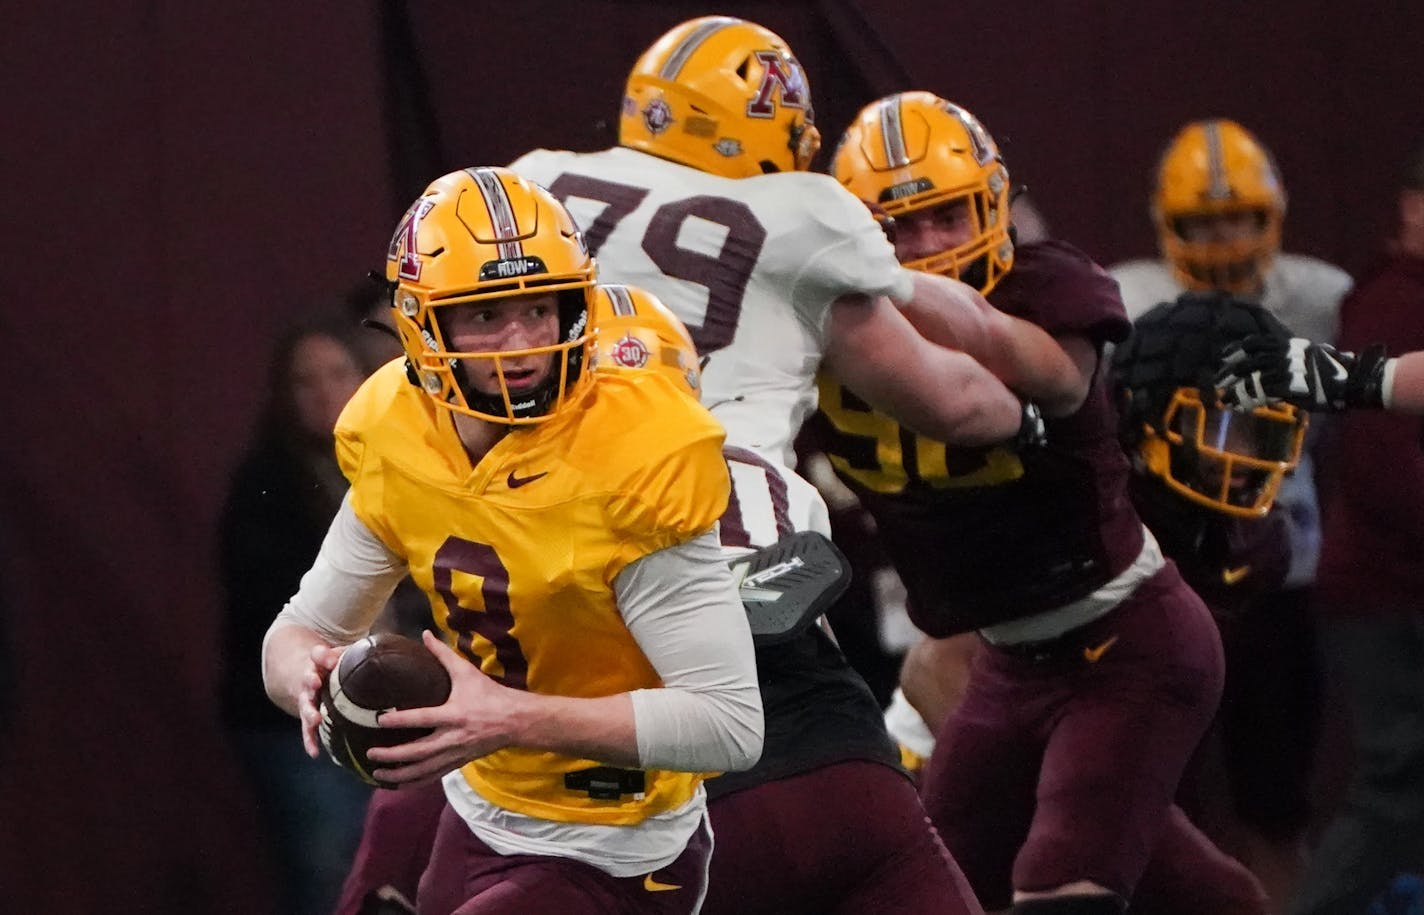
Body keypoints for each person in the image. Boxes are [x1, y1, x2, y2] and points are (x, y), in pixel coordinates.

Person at [508, 16, 1077, 915]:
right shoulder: (794, 220)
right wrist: (1038, 422)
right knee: (870, 857)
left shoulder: (535, 186)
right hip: (739, 614)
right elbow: (949, 397)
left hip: (549, 626)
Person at [262, 166, 766, 915]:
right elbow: (296, 632)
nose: (520, 344)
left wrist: (508, 716)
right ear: (424, 323)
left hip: (617, 843)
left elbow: (730, 724)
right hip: (478, 816)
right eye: (487, 316)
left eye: (538, 310)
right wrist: (310, 679)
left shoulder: (630, 456)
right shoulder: (400, 433)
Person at [818, 91, 1268, 914]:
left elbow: (1056, 379)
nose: (923, 246)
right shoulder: (825, 320)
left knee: (1060, 885)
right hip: (1007, 663)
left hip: (1126, 636)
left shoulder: (1044, 285)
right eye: (897, 228)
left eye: (946, 217)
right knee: (940, 890)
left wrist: (883, 286)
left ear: (993, 205)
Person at [1109, 119, 1350, 898]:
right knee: (1155, 801)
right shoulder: (1131, 297)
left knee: (1274, 800)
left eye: (1237, 217)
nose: (1221, 237)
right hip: (1169, 578)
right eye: (1203, 222)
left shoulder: (1321, 298)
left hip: (1281, 577)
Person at [1217, 140, 1424, 915]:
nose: (1222, 243)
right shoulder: (1392, 299)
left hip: (1353, 577)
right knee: (1391, 784)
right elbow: (1380, 471)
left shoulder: (1349, 295)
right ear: (1409, 207)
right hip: (1375, 585)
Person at [217, 317, 374, 915]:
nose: (325, 392)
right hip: (298, 722)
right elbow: (273, 612)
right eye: (304, 381)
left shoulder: (401, 467)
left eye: (338, 374)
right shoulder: (266, 483)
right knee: (326, 873)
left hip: (398, 712)